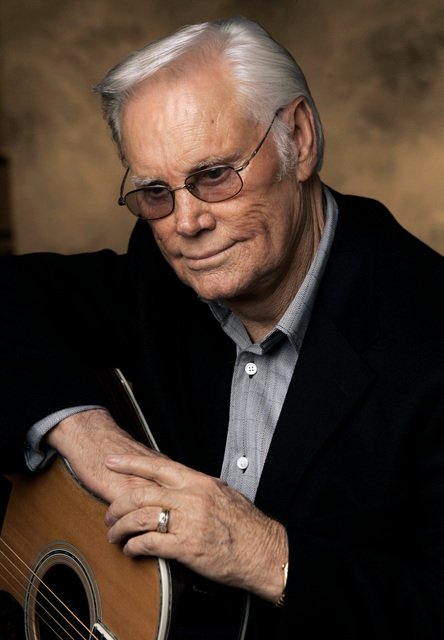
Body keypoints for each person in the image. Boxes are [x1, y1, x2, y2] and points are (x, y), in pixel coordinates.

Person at [1, 15, 443, 639]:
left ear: (299, 140)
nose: (186, 223)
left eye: (213, 175)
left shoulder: (427, 331)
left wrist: (263, 552)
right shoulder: (158, 276)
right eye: (156, 192)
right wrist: (89, 439)